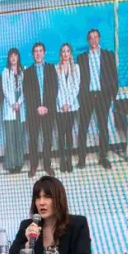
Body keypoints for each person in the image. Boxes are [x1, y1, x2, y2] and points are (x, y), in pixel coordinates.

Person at [9, 175, 92, 254]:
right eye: (38, 197)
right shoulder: (27, 225)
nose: (41, 202)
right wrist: (28, 245)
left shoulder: (77, 224)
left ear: (59, 199)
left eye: (47, 197)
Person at [77, 28, 119, 170]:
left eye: (96, 37)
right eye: (91, 38)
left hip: (103, 96)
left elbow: (114, 76)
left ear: (99, 38)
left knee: (103, 127)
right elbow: (79, 80)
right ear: (88, 40)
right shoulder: (81, 58)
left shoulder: (108, 55)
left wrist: (112, 96)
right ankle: (81, 158)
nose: (93, 40)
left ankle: (103, 157)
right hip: (87, 97)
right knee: (83, 128)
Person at [23, 42, 58, 177]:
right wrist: (38, 107)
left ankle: (47, 165)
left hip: (48, 110)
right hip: (34, 111)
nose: (38, 53)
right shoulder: (28, 72)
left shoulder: (50, 68)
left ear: (44, 53)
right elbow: (28, 92)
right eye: (35, 51)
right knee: (33, 139)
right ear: (33, 54)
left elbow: (54, 88)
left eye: (40, 51)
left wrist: (46, 106)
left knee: (48, 138)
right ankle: (33, 165)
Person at [1, 48, 27, 174]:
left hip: (20, 107)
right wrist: (13, 103)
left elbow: (25, 90)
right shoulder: (5, 72)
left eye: (15, 55)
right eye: (11, 56)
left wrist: (19, 102)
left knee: (20, 136)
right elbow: (5, 90)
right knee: (10, 137)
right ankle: (11, 164)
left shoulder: (23, 71)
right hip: (10, 107)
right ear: (9, 58)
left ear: (18, 57)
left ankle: (19, 162)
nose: (13, 58)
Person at [55, 43, 81, 173]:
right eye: (63, 51)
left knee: (69, 134)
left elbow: (76, 87)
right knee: (61, 135)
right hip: (60, 108)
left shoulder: (76, 67)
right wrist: (62, 104)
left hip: (71, 107)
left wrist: (68, 103)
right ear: (61, 54)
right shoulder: (56, 68)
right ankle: (62, 161)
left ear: (71, 53)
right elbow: (56, 88)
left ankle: (69, 161)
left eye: (68, 51)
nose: (65, 54)